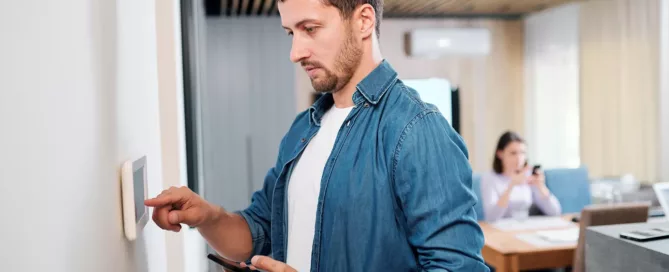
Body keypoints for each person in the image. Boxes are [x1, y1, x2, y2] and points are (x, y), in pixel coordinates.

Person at [145, 0, 488, 271]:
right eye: (291, 33)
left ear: (364, 21)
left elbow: (459, 268)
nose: (296, 53)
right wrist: (209, 217)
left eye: (310, 29)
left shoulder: (418, 129)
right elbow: (259, 230)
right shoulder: (304, 128)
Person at [481, 131, 562, 222]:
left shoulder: (528, 175)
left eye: (523, 153)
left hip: (526, 228)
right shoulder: (490, 178)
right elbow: (491, 218)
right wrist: (511, 186)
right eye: (513, 153)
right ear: (500, 154)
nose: (519, 158)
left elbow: (555, 212)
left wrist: (541, 187)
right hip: (501, 231)